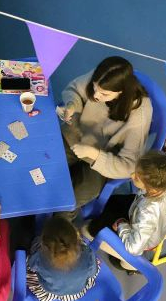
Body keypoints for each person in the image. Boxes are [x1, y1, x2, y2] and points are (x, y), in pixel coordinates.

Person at [56, 56, 153, 219]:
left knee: (69, 201)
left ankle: (56, 228)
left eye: (104, 94)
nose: (95, 96)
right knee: (43, 169)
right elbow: (73, 90)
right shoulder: (99, 79)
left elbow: (128, 165)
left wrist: (94, 154)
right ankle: (36, 209)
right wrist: (72, 105)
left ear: (121, 92)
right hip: (75, 135)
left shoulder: (139, 114)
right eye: (94, 88)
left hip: (103, 159)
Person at [83, 128, 166, 268]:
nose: (131, 176)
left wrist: (122, 224)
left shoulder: (148, 212)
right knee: (113, 202)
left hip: (145, 235)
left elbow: (134, 248)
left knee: (91, 229)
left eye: (136, 177)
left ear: (151, 187)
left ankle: (128, 266)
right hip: (153, 213)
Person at [26, 217, 100, 301]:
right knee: (92, 263)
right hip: (77, 291)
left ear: (44, 244)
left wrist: (36, 242)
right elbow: (92, 272)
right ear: (76, 236)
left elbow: (31, 265)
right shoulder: (87, 253)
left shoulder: (39, 257)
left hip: (50, 292)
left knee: (28, 266)